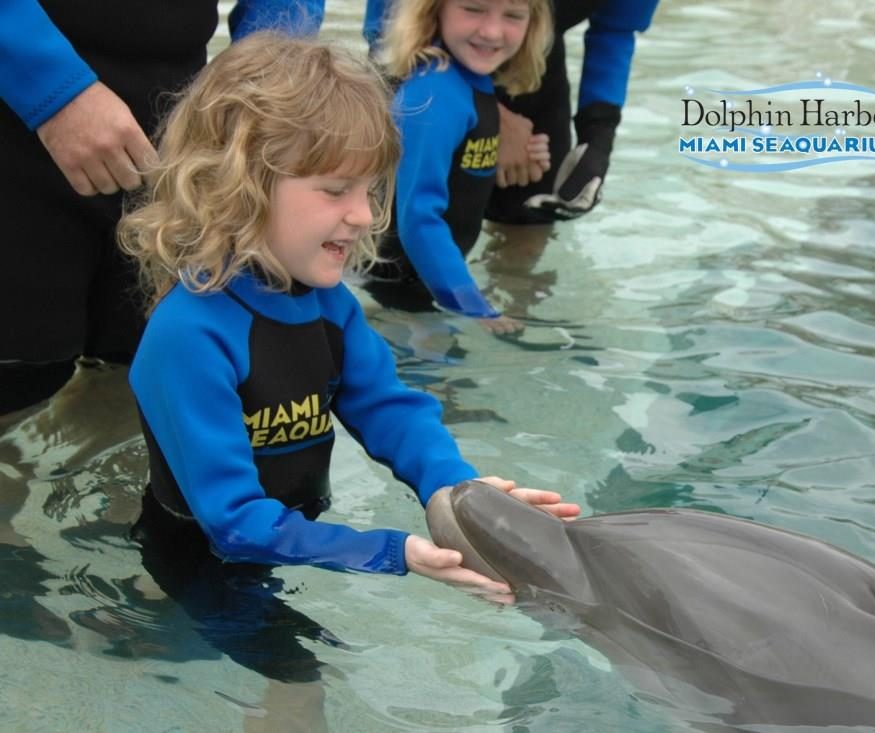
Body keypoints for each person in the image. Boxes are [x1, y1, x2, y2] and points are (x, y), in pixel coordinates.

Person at [116, 33, 579, 681]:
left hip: (299, 538)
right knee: (295, 689)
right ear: (240, 183)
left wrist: (453, 492)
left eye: (370, 188)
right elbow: (235, 521)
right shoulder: (189, 337)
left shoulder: (328, 304)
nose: (365, 215)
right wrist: (394, 551)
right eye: (337, 189)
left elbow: (391, 409)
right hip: (208, 553)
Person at [0, 0, 325, 417]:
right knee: (20, 381)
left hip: (172, 143)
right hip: (16, 122)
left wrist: (257, 83)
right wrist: (53, 92)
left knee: (141, 377)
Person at [363, 0, 659, 224]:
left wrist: (598, 138)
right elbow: (388, 29)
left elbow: (615, 30)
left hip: (533, 59)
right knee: (403, 226)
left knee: (529, 227)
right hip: (423, 55)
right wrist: (488, 118)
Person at [364, 0, 553, 333]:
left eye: (512, 15)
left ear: (533, 24)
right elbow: (419, 217)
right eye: (473, 9)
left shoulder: (466, 80)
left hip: (427, 283)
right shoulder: (434, 93)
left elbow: (459, 176)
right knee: (432, 380)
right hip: (403, 289)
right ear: (433, 9)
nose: (492, 31)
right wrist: (473, 307)